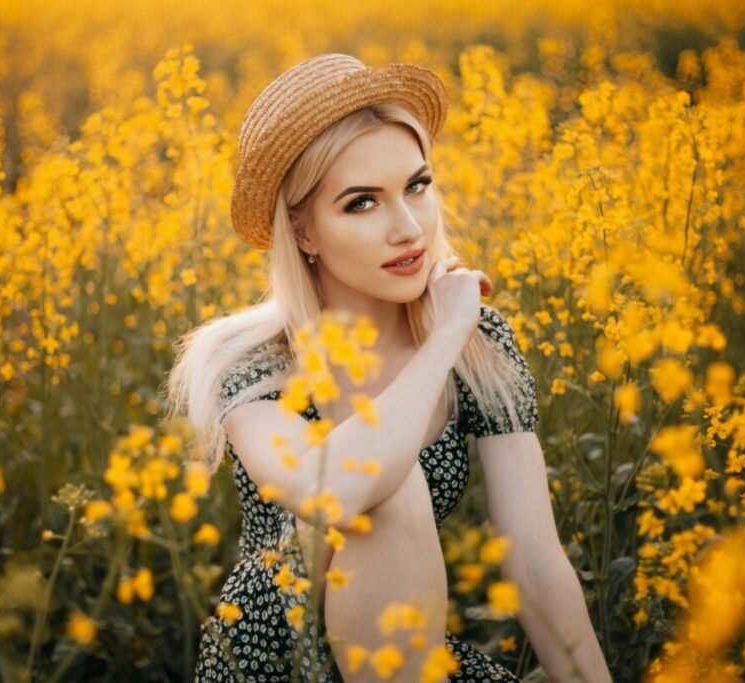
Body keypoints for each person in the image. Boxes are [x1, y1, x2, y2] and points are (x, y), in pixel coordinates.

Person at [166, 54, 610, 682]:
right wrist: (444, 338)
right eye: (362, 203)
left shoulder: (480, 343)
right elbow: (339, 490)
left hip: (403, 653)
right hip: (274, 665)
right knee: (384, 485)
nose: (408, 228)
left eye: (417, 186)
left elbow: (535, 560)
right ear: (304, 231)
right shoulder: (253, 365)